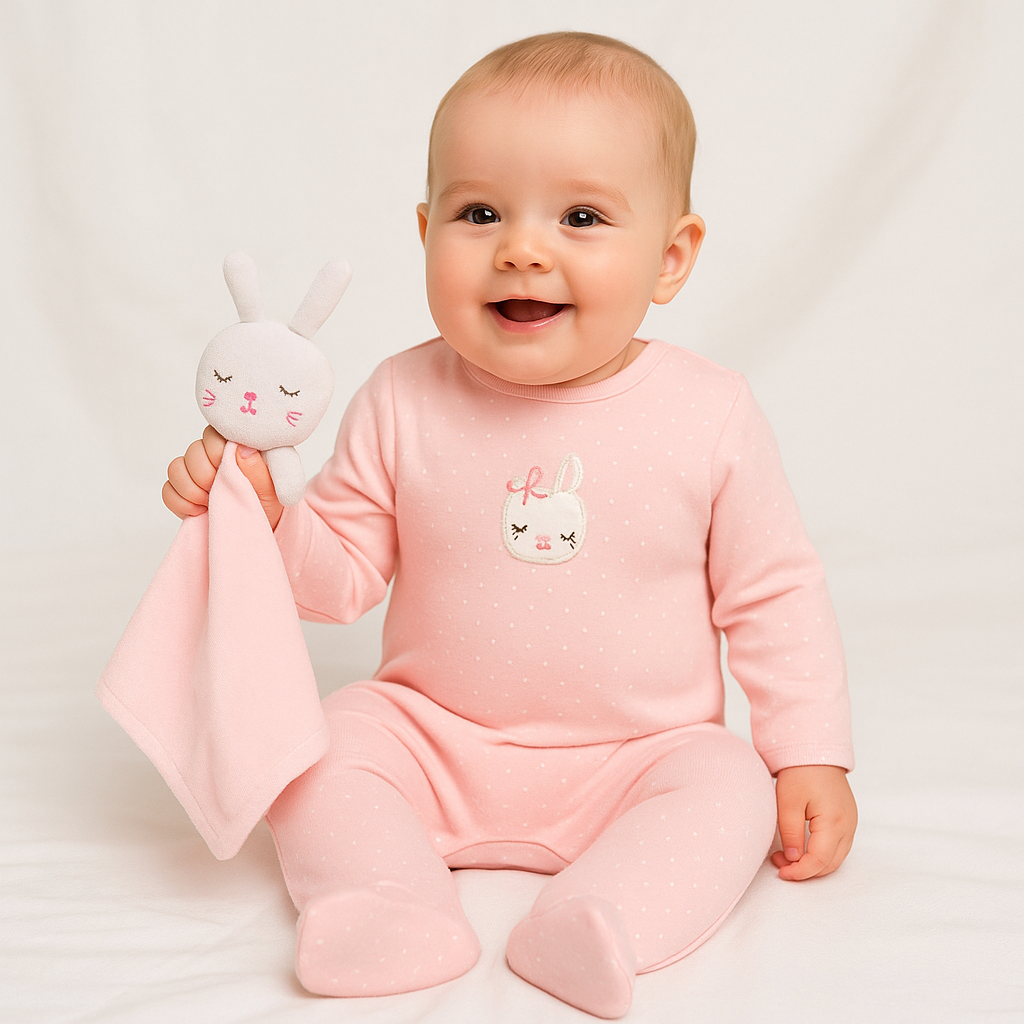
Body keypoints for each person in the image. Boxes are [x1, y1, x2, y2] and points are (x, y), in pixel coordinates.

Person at [163, 31, 857, 1020]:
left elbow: (774, 593)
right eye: (479, 212)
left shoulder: (710, 414)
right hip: (434, 737)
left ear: (670, 258)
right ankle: (386, 904)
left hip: (639, 752)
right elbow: (339, 577)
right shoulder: (402, 396)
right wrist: (264, 514)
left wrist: (809, 752)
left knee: (729, 786)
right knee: (319, 742)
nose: (522, 248)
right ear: (425, 232)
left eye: (581, 217)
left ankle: (602, 917)